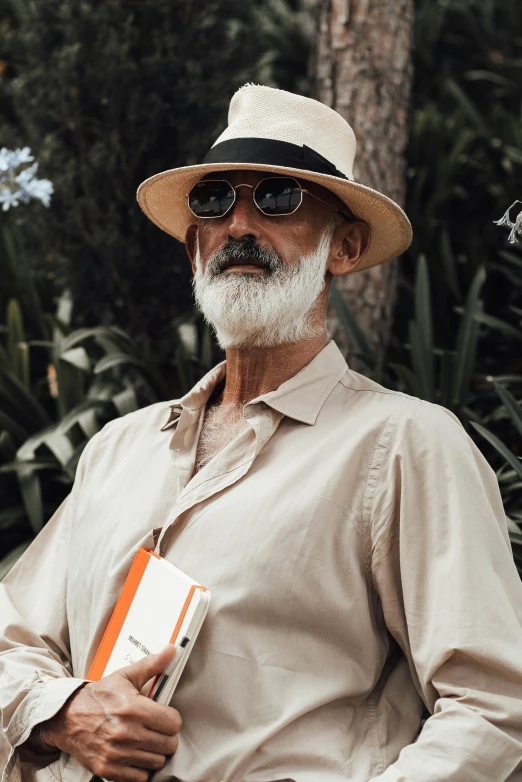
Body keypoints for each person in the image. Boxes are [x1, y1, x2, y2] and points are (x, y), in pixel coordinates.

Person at [1, 83, 522, 782]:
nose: (239, 224)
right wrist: (62, 712)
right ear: (194, 248)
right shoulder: (118, 449)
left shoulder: (406, 444)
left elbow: (493, 707)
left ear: (346, 246)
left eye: (278, 197)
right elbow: (12, 640)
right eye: (215, 201)